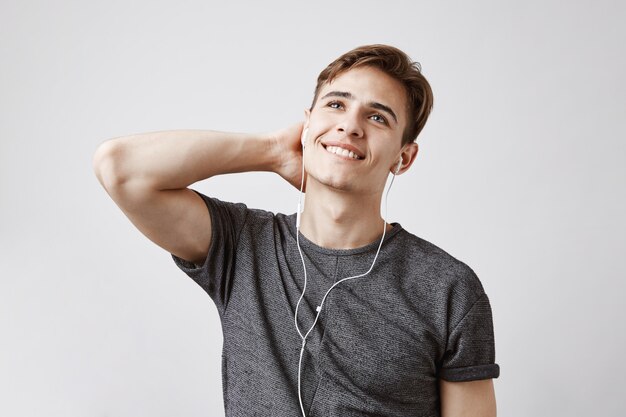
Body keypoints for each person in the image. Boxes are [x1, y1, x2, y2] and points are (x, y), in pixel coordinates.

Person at [93, 44, 500, 416]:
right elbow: (120, 168)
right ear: (306, 126)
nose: (351, 126)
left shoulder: (448, 288)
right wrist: (271, 150)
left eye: (377, 117)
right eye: (336, 105)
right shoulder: (243, 245)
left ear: (404, 157)